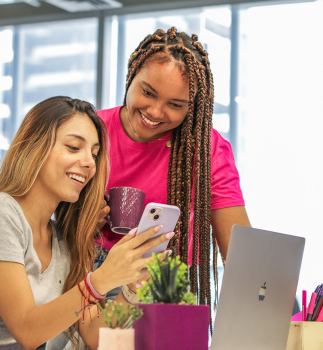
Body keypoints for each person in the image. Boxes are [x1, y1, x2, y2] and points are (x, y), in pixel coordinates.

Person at [0, 96, 172, 350]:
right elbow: (27, 330)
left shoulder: (63, 242)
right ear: (34, 147)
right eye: (73, 147)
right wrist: (102, 279)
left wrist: (132, 287)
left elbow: (96, 336)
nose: (89, 163)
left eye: (94, 154)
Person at [94, 27, 251, 314]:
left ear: (191, 108)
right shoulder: (89, 131)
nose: (155, 111)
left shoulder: (207, 151)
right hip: (95, 277)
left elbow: (242, 257)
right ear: (132, 75)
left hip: (168, 284)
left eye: (175, 105)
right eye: (148, 92)